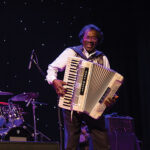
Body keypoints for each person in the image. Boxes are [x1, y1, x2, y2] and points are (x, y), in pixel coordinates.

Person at [46, 24, 117, 150]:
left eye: (94, 38)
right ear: (82, 38)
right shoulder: (71, 52)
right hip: (71, 102)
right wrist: (54, 80)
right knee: (72, 142)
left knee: (101, 140)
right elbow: (52, 68)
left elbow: (108, 83)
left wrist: (109, 97)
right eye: (87, 37)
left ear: (98, 40)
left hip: (94, 106)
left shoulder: (102, 57)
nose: (90, 40)